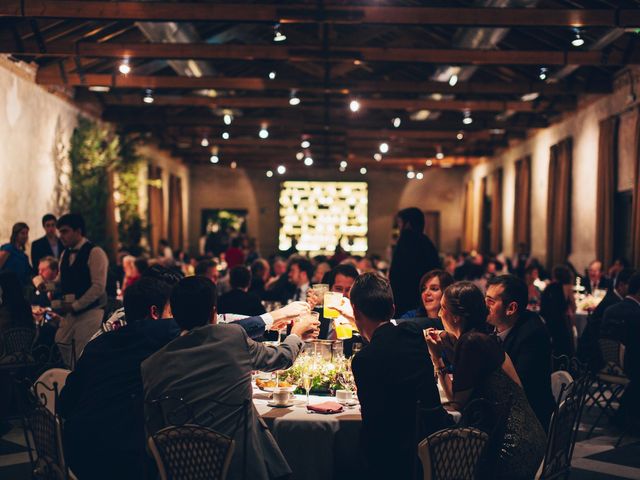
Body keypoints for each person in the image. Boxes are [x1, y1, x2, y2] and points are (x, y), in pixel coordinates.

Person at [141, 276, 320, 480]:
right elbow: (281, 359)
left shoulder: (151, 365)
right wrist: (295, 334)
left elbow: (153, 434)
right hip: (241, 466)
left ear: (172, 313)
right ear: (213, 312)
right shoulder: (232, 337)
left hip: (181, 471)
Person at [59, 277, 178, 480]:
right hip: (126, 463)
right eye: (170, 312)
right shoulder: (162, 337)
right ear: (155, 313)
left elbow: (65, 403)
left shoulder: (98, 344)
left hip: (77, 457)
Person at [425, 282, 546, 479]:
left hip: (510, 450)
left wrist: (436, 358)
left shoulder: (471, 342)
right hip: (533, 436)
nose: (438, 314)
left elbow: (458, 402)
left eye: (443, 308)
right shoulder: (486, 337)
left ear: (456, 316)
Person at [349, 273, 451, 480]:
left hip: (390, 464)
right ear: (393, 309)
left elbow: (373, 428)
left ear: (356, 313)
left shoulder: (364, 360)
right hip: (435, 451)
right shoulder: (414, 336)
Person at [485, 275, 555, 430]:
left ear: (511, 308)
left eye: (490, 301)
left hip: (529, 423)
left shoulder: (532, 335)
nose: (485, 306)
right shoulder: (491, 326)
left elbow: (519, 390)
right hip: (504, 412)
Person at [55, 213, 109, 365]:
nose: (61, 236)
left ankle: (80, 381)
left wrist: (76, 305)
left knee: (82, 351)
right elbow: (61, 280)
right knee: (60, 340)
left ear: (78, 231)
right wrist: (47, 286)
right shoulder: (65, 253)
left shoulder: (95, 252)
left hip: (92, 311)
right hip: (71, 313)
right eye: (60, 232)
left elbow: (98, 286)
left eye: (65, 231)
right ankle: (72, 376)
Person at [602, 273, 640, 428]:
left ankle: (625, 414)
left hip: (607, 365)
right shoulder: (636, 314)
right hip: (629, 368)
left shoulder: (610, 309)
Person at [579, 268, 636, 370]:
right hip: (595, 355)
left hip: (595, 351)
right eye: (630, 285)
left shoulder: (613, 298)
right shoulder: (615, 304)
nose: (632, 288)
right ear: (621, 285)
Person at [389, 207, 440, 316]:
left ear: (407, 223)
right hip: (422, 299)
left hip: (406, 299)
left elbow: (399, 274)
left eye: (400, 223)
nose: (398, 227)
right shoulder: (426, 242)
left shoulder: (406, 240)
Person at [540, 265, 575, 357]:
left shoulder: (548, 287)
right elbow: (573, 307)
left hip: (548, 322)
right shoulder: (567, 287)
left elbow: (542, 305)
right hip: (561, 323)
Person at [0, 222, 31, 286]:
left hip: (20, 289)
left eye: (26, 233)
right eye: (22, 233)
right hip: (7, 287)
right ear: (16, 234)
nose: (25, 236)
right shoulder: (8, 248)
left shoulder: (24, 256)